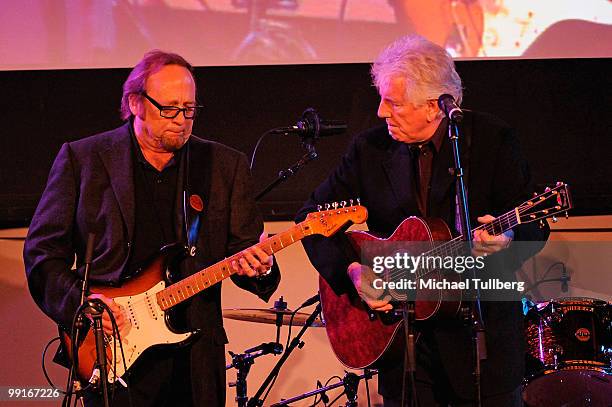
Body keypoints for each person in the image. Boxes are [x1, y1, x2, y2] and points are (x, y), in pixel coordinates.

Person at [296, 35, 549, 406]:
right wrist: (352, 271)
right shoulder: (370, 150)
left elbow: (535, 225)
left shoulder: (492, 141)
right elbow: (309, 220)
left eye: (393, 103)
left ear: (435, 107)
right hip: (402, 348)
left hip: (483, 346)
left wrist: (509, 235)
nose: (381, 112)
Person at [23, 50, 280, 406]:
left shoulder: (223, 166)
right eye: (170, 109)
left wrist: (260, 266)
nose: (182, 120)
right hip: (113, 348)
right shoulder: (83, 160)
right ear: (136, 103)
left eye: (189, 110)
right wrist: (85, 306)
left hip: (194, 360)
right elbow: (42, 256)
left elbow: (246, 251)